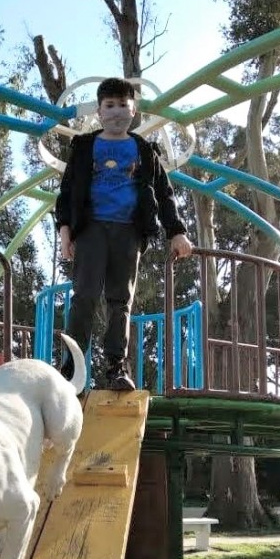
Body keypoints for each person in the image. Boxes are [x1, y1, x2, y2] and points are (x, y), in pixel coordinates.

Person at [55, 77, 193, 391]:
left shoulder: (143, 149)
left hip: (128, 231)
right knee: (84, 297)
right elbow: (66, 192)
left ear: (134, 111)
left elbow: (164, 193)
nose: (116, 112)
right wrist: (65, 230)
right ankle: (70, 369)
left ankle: (116, 368)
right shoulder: (85, 145)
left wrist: (177, 232)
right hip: (90, 229)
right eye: (109, 105)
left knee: (120, 300)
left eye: (123, 105)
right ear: (100, 112)